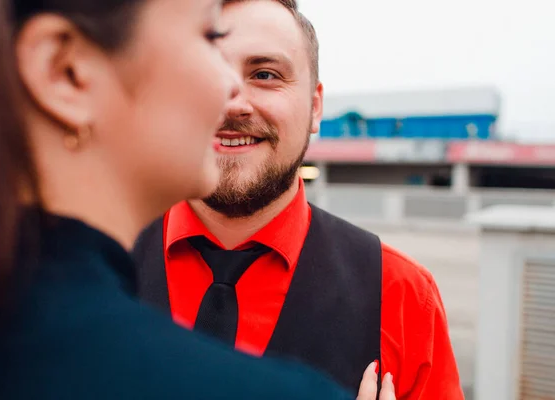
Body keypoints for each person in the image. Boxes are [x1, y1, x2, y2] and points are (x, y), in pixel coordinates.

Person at [0, 0, 395, 399]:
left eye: (265, 74)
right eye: (209, 39)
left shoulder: (394, 287)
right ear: (64, 69)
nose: (232, 94)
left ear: (316, 105)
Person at [133, 0, 465, 398]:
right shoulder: (75, 265)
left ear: (315, 106)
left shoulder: (401, 297)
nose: (233, 103)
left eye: (265, 74)